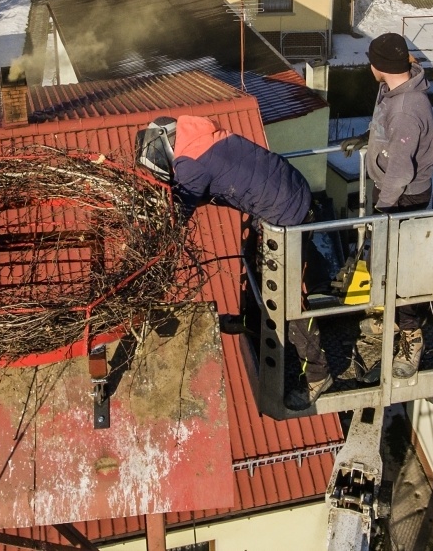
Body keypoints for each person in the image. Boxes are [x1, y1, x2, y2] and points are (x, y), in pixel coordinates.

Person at [137, 115, 334, 409]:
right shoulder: (198, 138)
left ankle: (319, 374)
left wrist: (147, 240)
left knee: (284, 297)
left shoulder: (190, 164)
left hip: (285, 214)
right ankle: (253, 324)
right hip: (285, 193)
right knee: (257, 269)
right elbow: (208, 184)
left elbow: (175, 221)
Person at [340, 32, 433, 379]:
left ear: (379, 66)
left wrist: (383, 209)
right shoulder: (394, 90)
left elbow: (401, 168)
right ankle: (395, 318)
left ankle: (412, 336)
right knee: (384, 262)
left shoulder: (407, 108)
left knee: (402, 270)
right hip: (394, 192)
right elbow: (389, 132)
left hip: (403, 198)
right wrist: (369, 139)